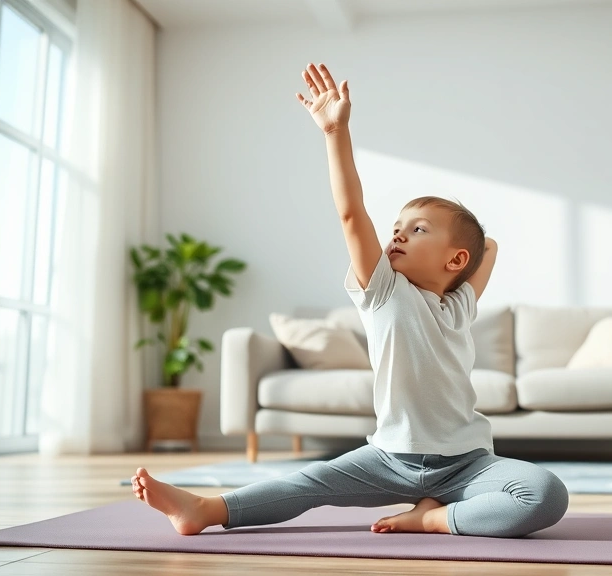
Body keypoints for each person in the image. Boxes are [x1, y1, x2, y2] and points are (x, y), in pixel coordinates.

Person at [131, 63, 568, 538]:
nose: (397, 234)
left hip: (468, 465)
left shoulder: (458, 305)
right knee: (307, 484)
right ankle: (204, 508)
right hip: (388, 460)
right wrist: (335, 132)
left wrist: (472, 246)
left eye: (417, 229)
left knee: (545, 494)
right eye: (396, 227)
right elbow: (350, 210)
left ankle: (432, 516)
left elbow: (490, 251)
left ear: (455, 259)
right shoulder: (384, 291)